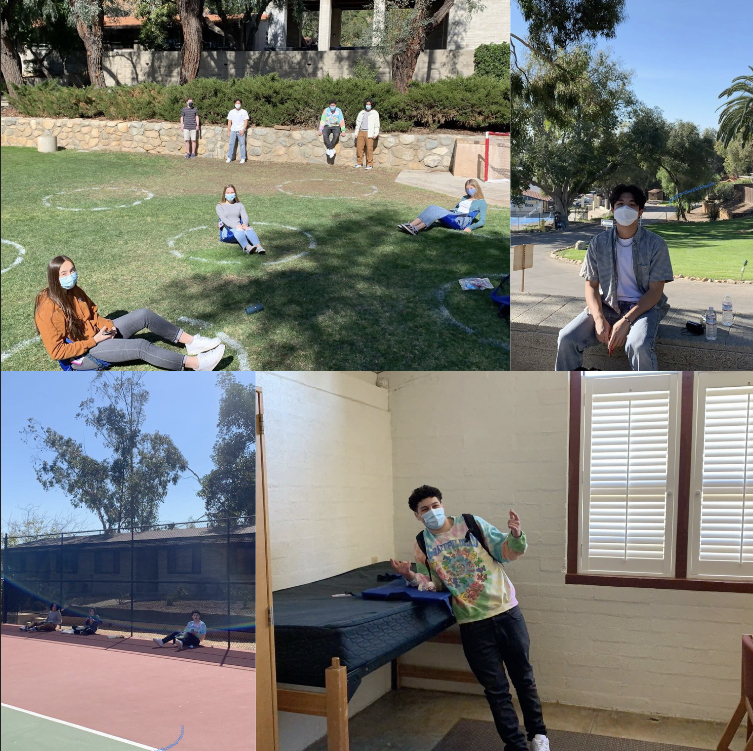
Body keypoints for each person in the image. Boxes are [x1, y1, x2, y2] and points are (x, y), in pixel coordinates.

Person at [390, 485, 550, 751]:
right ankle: (515, 745)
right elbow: (434, 583)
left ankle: (539, 736)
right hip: (472, 623)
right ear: (417, 516)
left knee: (524, 678)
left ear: (442, 504)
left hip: (507, 611)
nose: (432, 512)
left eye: (435, 505)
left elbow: (505, 552)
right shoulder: (422, 544)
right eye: (425, 509)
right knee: (496, 690)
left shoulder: (470, 523)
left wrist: (516, 534)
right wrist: (409, 575)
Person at [555, 184, 674, 371]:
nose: (625, 209)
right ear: (612, 209)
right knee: (566, 338)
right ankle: (568, 390)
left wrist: (626, 321)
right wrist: (599, 317)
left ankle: (649, 394)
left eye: (632, 205)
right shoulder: (598, 243)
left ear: (640, 211)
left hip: (643, 309)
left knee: (638, 346)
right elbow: (591, 286)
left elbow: (655, 292)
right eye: (620, 204)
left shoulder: (655, 244)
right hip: (608, 304)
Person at [34, 256, 226, 371]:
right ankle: (197, 364)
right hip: (83, 355)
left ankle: (192, 343)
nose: (71, 276)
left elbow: (93, 314)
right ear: (54, 278)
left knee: (144, 314)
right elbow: (57, 352)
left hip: (99, 335)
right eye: (64, 274)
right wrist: (95, 341)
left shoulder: (74, 290)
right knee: (140, 346)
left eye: (72, 270)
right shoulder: (47, 309)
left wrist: (107, 325)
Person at [398, 179, 488, 235]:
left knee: (437, 212)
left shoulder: (481, 202)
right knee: (432, 207)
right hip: (455, 215)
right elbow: (456, 209)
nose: (469, 191)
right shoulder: (465, 198)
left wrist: (470, 228)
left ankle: (416, 229)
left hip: (461, 221)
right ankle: (411, 225)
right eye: (467, 189)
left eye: (471, 188)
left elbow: (482, 221)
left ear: (476, 188)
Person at [217, 184, 266, 254]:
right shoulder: (220, 206)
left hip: (239, 226)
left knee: (248, 229)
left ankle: (259, 247)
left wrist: (245, 224)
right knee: (239, 231)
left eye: (232, 192)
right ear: (224, 194)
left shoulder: (239, 204)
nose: (230, 194)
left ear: (235, 193)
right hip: (228, 230)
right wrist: (235, 226)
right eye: (228, 193)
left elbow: (244, 216)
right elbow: (223, 219)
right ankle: (247, 247)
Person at [353, 98, 380, 170]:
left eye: (369, 104)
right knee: (359, 148)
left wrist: (375, 133)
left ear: (372, 105)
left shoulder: (374, 113)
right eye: (367, 104)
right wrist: (356, 133)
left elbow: (377, 124)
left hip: (369, 132)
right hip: (361, 132)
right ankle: (359, 163)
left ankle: (369, 164)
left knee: (369, 149)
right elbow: (358, 123)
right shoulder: (361, 112)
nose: (368, 106)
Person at [226, 98, 249, 164]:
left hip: (241, 130)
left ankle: (243, 158)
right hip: (233, 130)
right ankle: (229, 157)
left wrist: (243, 129)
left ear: (241, 104)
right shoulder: (231, 112)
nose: (237, 104)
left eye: (239, 103)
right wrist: (228, 130)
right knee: (231, 144)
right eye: (236, 103)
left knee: (242, 144)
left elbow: (245, 121)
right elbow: (229, 121)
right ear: (234, 104)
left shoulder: (244, 112)